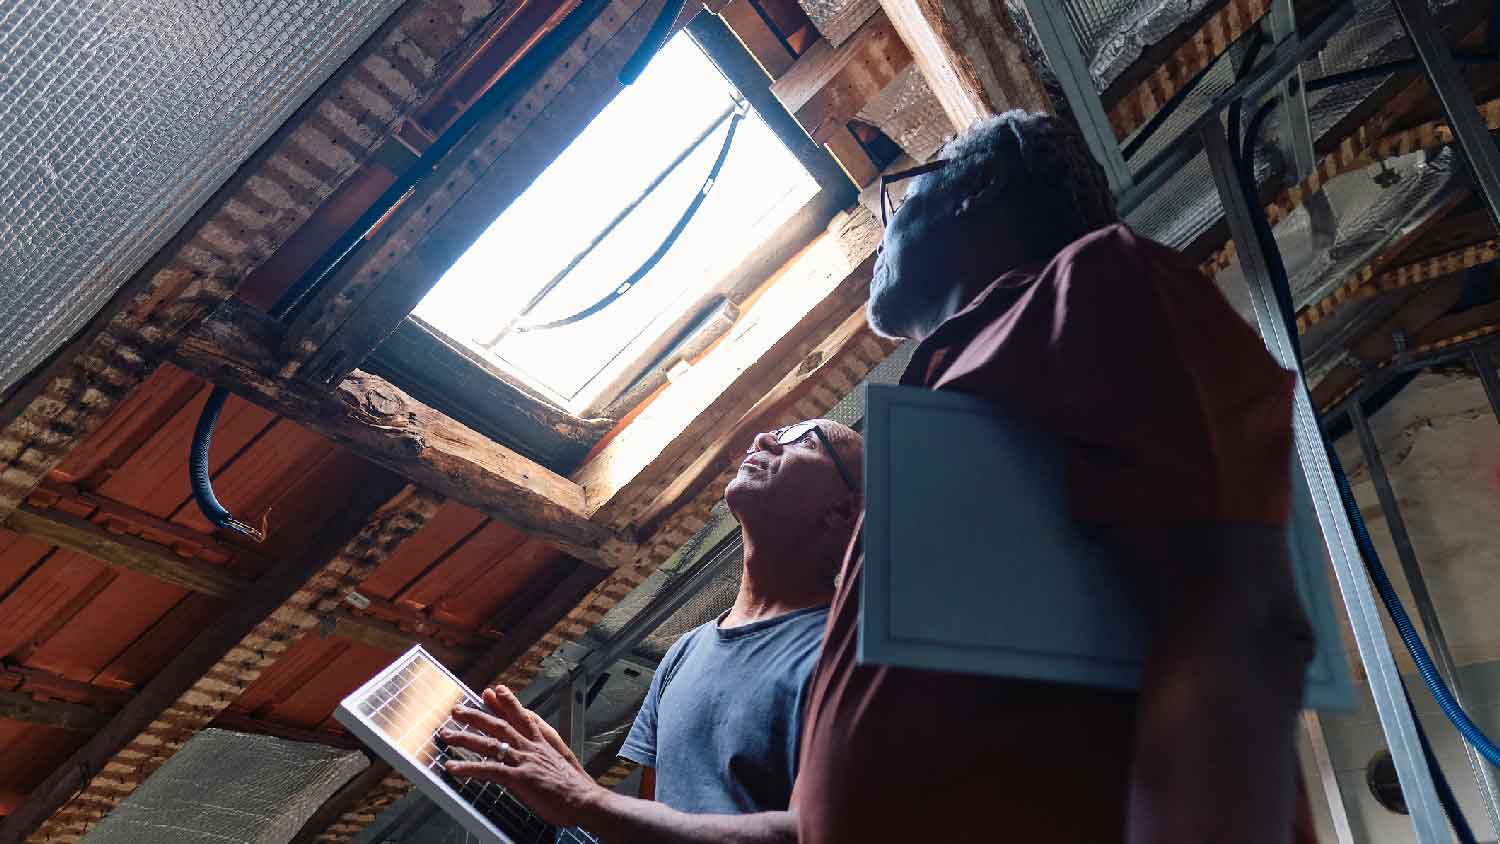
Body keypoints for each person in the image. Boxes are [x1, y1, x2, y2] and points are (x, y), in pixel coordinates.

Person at [792, 111, 1318, 843]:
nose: (878, 232)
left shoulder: (1097, 281)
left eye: (899, 196)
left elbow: (1249, 620)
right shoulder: (938, 416)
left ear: (976, 185)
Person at [440, 418, 862, 844]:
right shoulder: (685, 651)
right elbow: (650, 822)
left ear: (844, 511)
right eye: (777, 430)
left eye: (803, 440)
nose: (765, 438)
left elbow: (812, 835)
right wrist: (572, 783)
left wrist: (586, 799)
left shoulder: (848, 660)